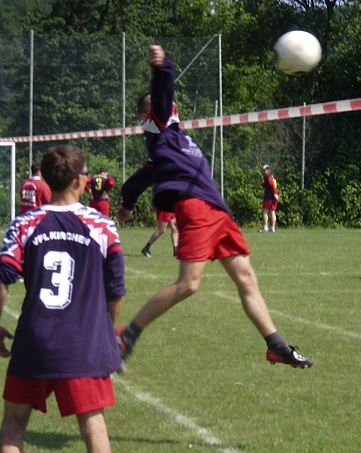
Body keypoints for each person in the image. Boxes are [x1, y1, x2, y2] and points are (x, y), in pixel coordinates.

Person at [116, 45, 313, 369]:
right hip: (196, 209)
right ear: (150, 115)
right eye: (161, 104)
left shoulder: (171, 141)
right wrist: (162, 65)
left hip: (217, 213)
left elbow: (143, 176)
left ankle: (276, 345)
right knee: (188, 284)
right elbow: (163, 88)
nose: (169, 106)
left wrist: (127, 203)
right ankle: (126, 336)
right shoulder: (161, 128)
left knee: (246, 278)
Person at [0, 145, 125, 453]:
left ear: (44, 180)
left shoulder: (25, 224)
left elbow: (1, 278)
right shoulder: (103, 226)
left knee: (14, 424)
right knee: (93, 428)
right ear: (82, 180)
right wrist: (107, 330)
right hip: (83, 345)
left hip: (35, 341)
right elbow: (116, 290)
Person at [259, 164, 279, 233]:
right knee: (272, 212)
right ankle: (272, 228)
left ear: (268, 170)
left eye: (264, 170)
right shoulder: (270, 176)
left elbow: (272, 185)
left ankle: (265, 228)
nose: (263, 171)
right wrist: (261, 184)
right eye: (263, 170)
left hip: (269, 197)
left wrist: (275, 194)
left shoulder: (268, 177)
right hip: (273, 197)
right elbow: (267, 185)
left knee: (264, 211)